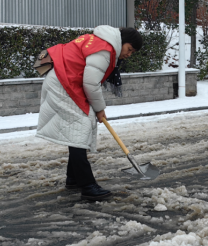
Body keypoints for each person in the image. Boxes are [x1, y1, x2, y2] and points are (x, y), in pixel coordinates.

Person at [36, 26, 142, 201]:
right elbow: (91, 83)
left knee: (78, 129)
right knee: (81, 129)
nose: (129, 54)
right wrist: (99, 109)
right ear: (122, 41)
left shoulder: (99, 41)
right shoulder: (104, 50)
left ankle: (74, 178)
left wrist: (97, 109)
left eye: (133, 52)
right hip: (64, 84)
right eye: (129, 49)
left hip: (63, 81)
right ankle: (87, 186)